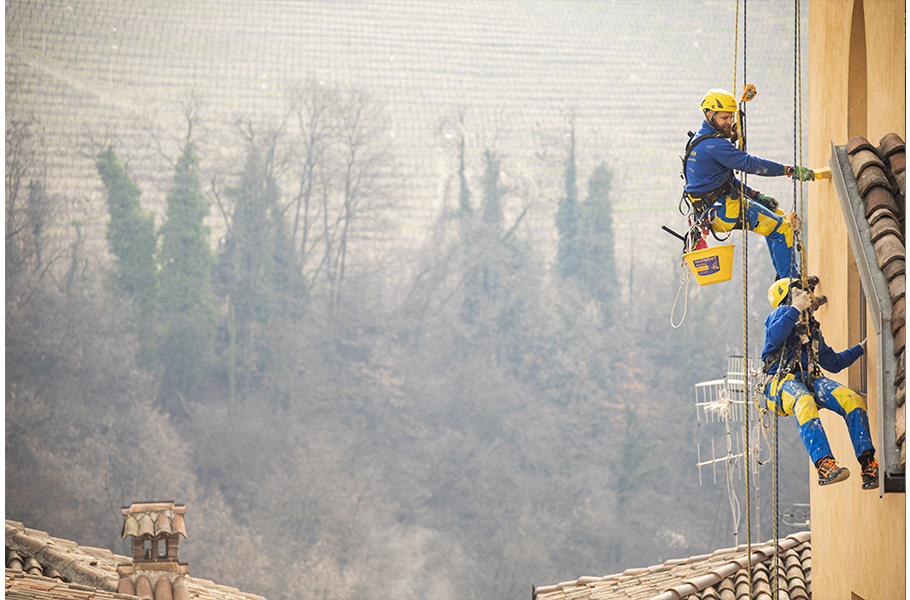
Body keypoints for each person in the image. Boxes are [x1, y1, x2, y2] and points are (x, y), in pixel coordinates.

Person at [683, 89, 816, 280]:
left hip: (712, 210)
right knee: (782, 228)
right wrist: (789, 170)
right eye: (724, 118)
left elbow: (723, 182)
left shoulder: (698, 141)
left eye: (731, 117)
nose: (729, 122)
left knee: (776, 215)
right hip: (723, 210)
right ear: (709, 115)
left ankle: (784, 278)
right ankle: (791, 287)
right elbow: (752, 164)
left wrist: (755, 195)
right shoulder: (715, 145)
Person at [762, 278, 878, 489]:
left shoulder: (811, 329)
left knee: (851, 399)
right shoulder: (780, 315)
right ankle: (824, 464)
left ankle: (868, 463)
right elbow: (775, 337)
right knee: (804, 401)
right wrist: (795, 308)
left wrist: (862, 348)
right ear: (791, 296)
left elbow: (833, 363)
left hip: (809, 380)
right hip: (779, 384)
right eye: (805, 292)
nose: (812, 296)